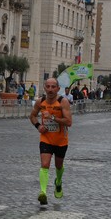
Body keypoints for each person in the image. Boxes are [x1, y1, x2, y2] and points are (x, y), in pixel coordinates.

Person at [29, 78, 72, 207]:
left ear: (58, 89)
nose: (50, 89)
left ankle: (58, 182)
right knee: (45, 164)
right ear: (44, 88)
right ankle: (43, 192)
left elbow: (69, 122)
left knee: (58, 166)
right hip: (46, 138)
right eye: (48, 86)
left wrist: (52, 117)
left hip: (61, 140)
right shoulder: (40, 102)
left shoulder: (63, 102)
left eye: (53, 87)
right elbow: (32, 115)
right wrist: (38, 126)